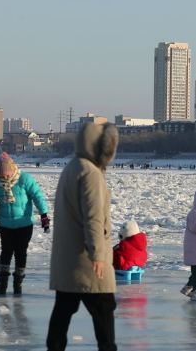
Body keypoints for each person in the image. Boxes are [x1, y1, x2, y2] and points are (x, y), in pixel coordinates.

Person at [47, 123, 119, 351]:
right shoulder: (91, 173)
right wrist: (98, 254)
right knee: (104, 310)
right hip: (87, 261)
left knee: (63, 310)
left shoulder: (72, 167)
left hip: (68, 260)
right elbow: (94, 218)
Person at [0, 152, 50, 296]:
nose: (4, 178)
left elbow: (37, 196)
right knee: (6, 251)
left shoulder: (25, 179)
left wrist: (44, 214)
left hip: (24, 223)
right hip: (5, 223)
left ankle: (18, 280)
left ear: (12, 170)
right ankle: (3, 280)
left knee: (20, 251)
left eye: (6, 175)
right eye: (1, 175)